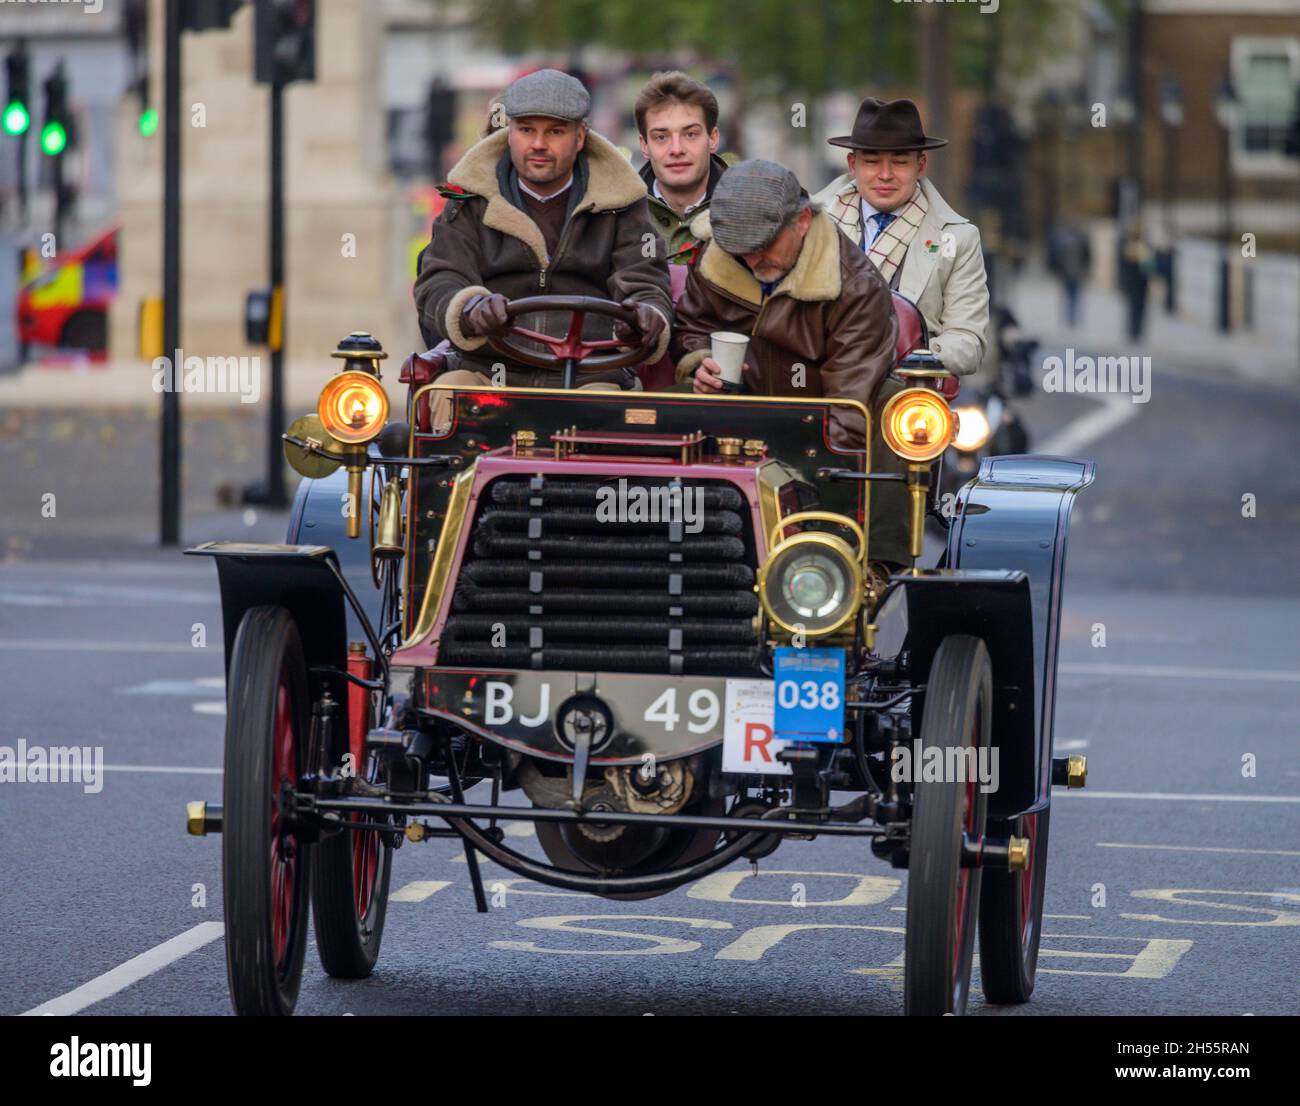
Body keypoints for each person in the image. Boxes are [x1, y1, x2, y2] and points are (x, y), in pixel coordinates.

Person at [671, 159, 911, 567]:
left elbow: (848, 406)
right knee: (667, 406)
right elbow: (691, 326)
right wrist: (701, 363)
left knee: (891, 407)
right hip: (742, 400)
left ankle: (877, 566)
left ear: (802, 220)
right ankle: (674, 540)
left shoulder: (855, 285)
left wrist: (808, 494)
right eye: (742, 248)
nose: (753, 258)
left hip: (822, 417)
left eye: (764, 243)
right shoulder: (719, 260)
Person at [414, 69, 673, 428]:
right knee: (448, 394)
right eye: (526, 130)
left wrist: (643, 319)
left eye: (554, 131)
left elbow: (646, 281)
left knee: (614, 413)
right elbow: (440, 279)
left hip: (590, 376)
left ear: (580, 137)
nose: (538, 144)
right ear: (509, 134)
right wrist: (471, 307)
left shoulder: (623, 206)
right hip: (488, 371)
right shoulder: (468, 200)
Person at [812, 97, 989, 380]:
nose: (885, 174)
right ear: (852, 165)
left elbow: (968, 339)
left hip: (906, 402)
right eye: (871, 162)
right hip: (820, 386)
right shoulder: (808, 223)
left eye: (899, 162)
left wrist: (913, 357)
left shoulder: (959, 239)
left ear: (921, 165)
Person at [634, 70, 730, 268]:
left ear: (712, 139)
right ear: (644, 146)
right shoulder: (617, 216)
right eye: (661, 137)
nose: (676, 149)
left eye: (690, 134)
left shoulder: (746, 211)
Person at [1047, 219, 1091, 328]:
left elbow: (1087, 256)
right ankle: (1071, 318)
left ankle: (1070, 318)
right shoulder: (1081, 239)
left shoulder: (1064, 240)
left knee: (1070, 295)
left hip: (1071, 272)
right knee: (1073, 296)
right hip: (1072, 272)